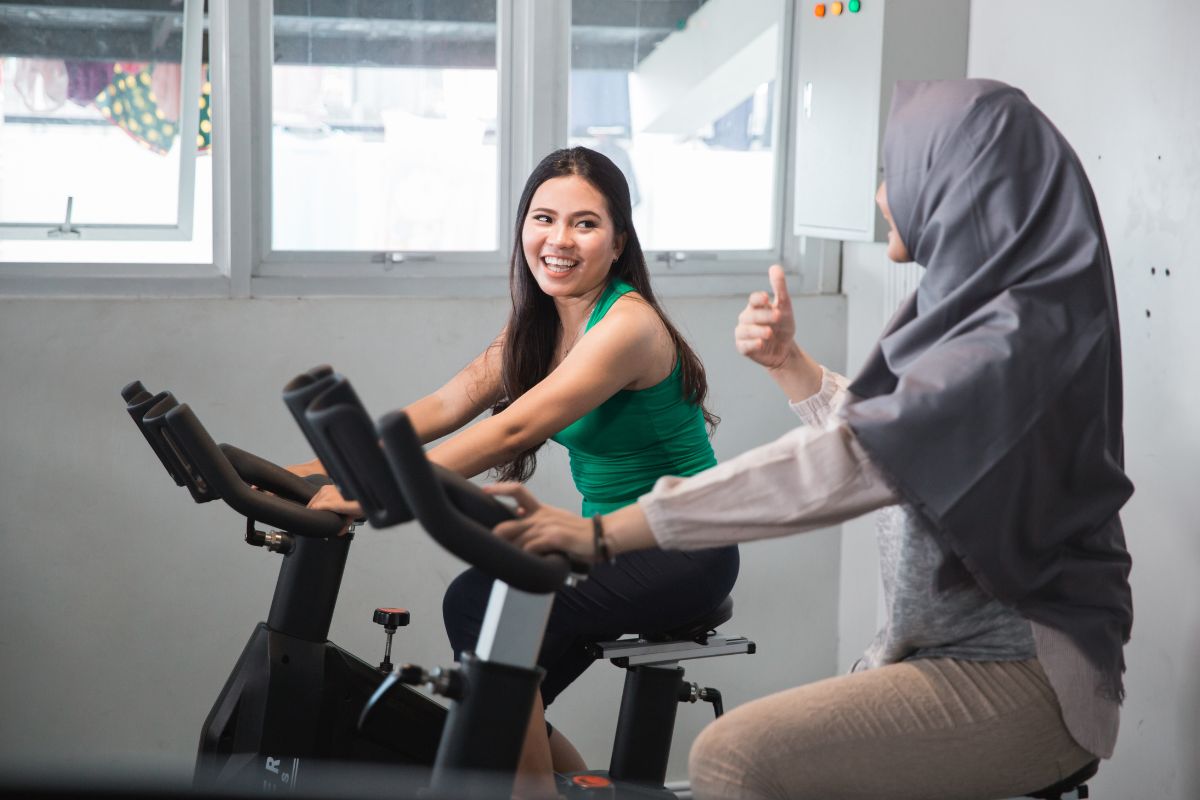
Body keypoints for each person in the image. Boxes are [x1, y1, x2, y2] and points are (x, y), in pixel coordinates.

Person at [485, 80, 1134, 799]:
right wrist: (791, 366)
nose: (884, 194)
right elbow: (897, 444)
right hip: (943, 655)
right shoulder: (982, 309)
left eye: (895, 173)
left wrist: (603, 533)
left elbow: (848, 464)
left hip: (1020, 679)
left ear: (955, 184)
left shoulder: (1008, 344)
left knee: (734, 757)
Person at [288, 146, 739, 794]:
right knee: (492, 702)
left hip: (682, 543)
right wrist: (307, 470)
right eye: (543, 218)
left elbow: (513, 430)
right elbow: (447, 404)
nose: (558, 239)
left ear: (618, 242)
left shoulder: (627, 325)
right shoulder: (540, 327)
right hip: (608, 539)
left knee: (478, 603)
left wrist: (371, 489)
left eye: (584, 224)